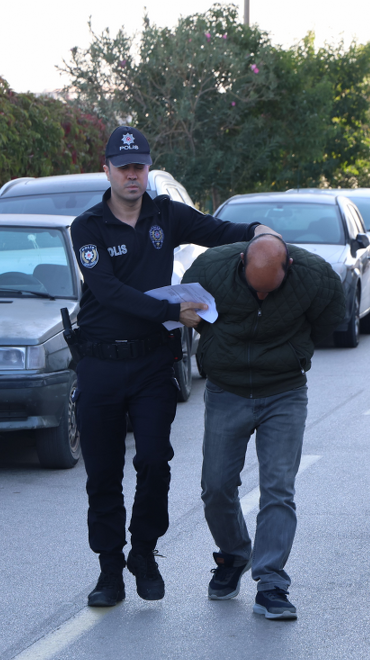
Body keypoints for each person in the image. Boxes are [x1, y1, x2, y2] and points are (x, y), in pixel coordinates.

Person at [70, 126, 272, 608]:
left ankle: (143, 552)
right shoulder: (88, 227)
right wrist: (170, 312)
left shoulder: (166, 215)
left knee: (155, 463)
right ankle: (109, 571)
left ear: (147, 169)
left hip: (150, 366)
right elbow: (108, 292)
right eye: (124, 168)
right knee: (102, 474)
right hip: (99, 364)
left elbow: (217, 231)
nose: (133, 175)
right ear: (107, 170)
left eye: (140, 166)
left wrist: (259, 234)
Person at [182, 232, 345, 620]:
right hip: (227, 391)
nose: (261, 298)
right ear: (242, 263)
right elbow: (186, 306)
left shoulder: (316, 277)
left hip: (284, 392)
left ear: (287, 268)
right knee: (216, 487)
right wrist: (207, 334)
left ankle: (271, 582)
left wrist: (293, 352)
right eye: (254, 290)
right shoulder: (211, 268)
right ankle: (235, 554)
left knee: (278, 489)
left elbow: (331, 319)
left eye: (269, 291)